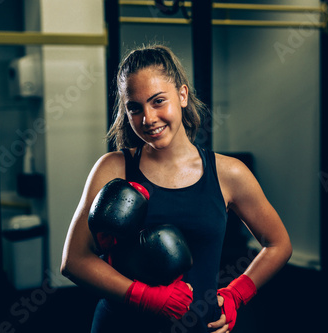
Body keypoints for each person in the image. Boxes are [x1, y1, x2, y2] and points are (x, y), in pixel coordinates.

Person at [61, 44, 292, 333]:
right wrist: (145, 297)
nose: (148, 119)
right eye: (134, 107)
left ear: (182, 95)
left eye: (158, 101)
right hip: (122, 326)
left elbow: (278, 244)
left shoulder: (228, 173)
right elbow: (74, 260)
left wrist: (236, 293)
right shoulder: (114, 168)